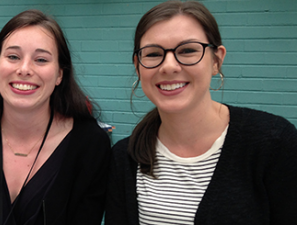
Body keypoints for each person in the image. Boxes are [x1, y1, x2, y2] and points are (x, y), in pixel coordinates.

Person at [105, 1, 297, 224]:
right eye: (153, 54)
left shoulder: (273, 143)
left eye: (187, 50)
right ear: (138, 65)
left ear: (216, 60)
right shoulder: (125, 157)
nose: (168, 66)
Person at [0, 9, 111, 225]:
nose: (24, 69)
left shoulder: (90, 146)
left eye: (41, 59)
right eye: (13, 56)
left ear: (60, 74)